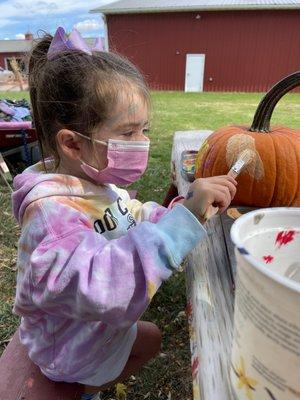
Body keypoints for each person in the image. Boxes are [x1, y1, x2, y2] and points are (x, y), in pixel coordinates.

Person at [12, 27, 237, 400]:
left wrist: (180, 213)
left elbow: (132, 214)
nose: (144, 142)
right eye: (129, 133)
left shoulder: (98, 182)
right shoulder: (52, 217)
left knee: (150, 339)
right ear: (72, 143)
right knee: (147, 340)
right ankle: (80, 391)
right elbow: (103, 285)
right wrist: (179, 229)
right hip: (66, 352)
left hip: (93, 333)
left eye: (145, 130)